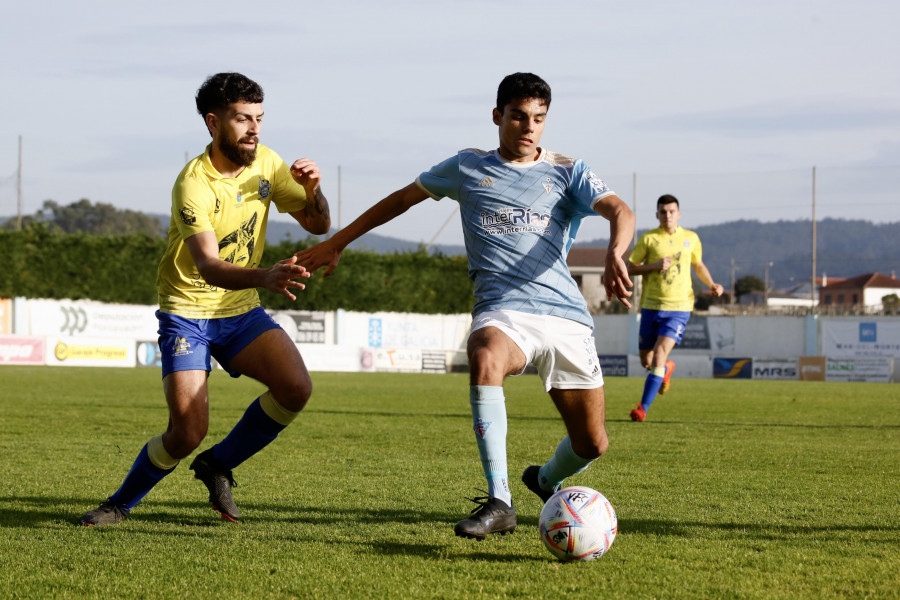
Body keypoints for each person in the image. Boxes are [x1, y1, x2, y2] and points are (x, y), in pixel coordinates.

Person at [295, 73, 634, 540]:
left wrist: (617, 250)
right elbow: (400, 200)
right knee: (485, 352)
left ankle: (543, 480)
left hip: (564, 316)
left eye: (538, 118)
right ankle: (501, 501)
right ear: (498, 116)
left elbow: (620, 210)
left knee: (592, 443)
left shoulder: (567, 170)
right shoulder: (468, 166)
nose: (528, 127)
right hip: (505, 310)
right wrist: (337, 243)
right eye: (518, 116)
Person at [80, 72, 331, 526]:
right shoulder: (192, 184)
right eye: (242, 119)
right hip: (187, 315)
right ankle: (120, 503)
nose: (254, 129)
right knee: (187, 432)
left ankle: (219, 464)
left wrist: (313, 191)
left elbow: (317, 226)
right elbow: (209, 268)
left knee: (296, 388)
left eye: (259, 118)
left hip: (238, 311)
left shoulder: (268, 164)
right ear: (214, 123)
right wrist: (267, 276)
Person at [627, 194, 723, 422]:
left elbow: (698, 265)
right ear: (657, 215)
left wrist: (712, 284)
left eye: (671, 211)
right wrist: (653, 266)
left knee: (659, 354)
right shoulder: (649, 239)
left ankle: (642, 409)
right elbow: (630, 268)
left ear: (678, 214)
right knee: (648, 362)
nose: (667, 215)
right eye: (663, 212)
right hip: (651, 306)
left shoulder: (691, 238)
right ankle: (667, 369)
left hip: (680, 307)